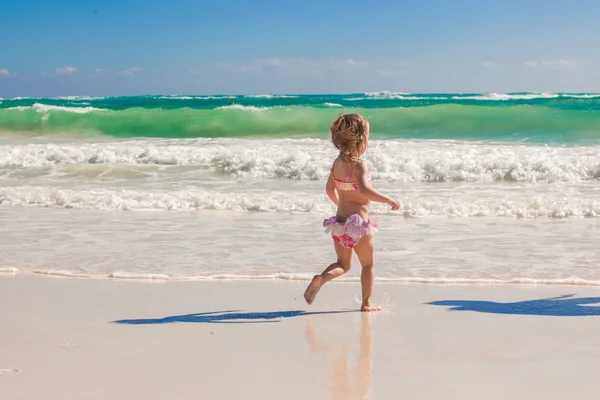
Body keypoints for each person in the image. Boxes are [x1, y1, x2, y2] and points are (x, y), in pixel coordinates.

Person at [303, 113, 400, 312]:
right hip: (359, 227)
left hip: (339, 224)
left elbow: (330, 190)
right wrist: (388, 199)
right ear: (360, 141)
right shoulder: (359, 165)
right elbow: (364, 190)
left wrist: (341, 205)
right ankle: (366, 303)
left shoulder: (337, 164)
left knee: (343, 264)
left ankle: (321, 279)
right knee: (367, 265)